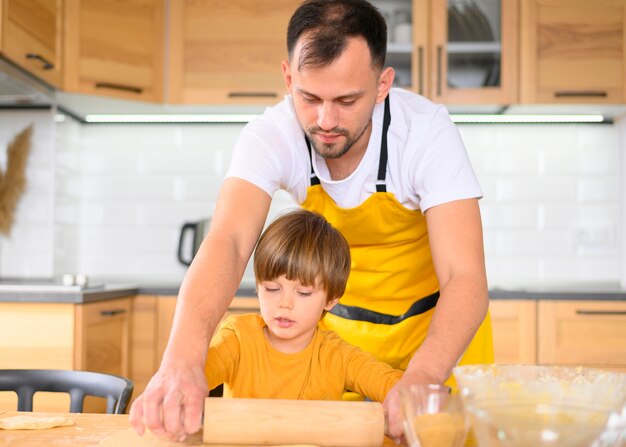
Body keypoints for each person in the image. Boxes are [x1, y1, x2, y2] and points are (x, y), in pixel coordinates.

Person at [129, 0, 493, 442]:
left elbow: (465, 275)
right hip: (341, 344)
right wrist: (181, 361)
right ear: (288, 78)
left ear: (382, 85)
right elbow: (229, 240)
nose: (325, 121)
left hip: (437, 340)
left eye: (347, 100)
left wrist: (425, 374)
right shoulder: (271, 135)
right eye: (309, 98)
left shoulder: (426, 133)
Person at [205, 209, 402, 402]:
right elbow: (195, 374)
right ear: (257, 286)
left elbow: (392, 386)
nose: (285, 304)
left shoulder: (337, 356)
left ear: (332, 298)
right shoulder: (237, 339)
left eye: (303, 293)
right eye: (272, 289)